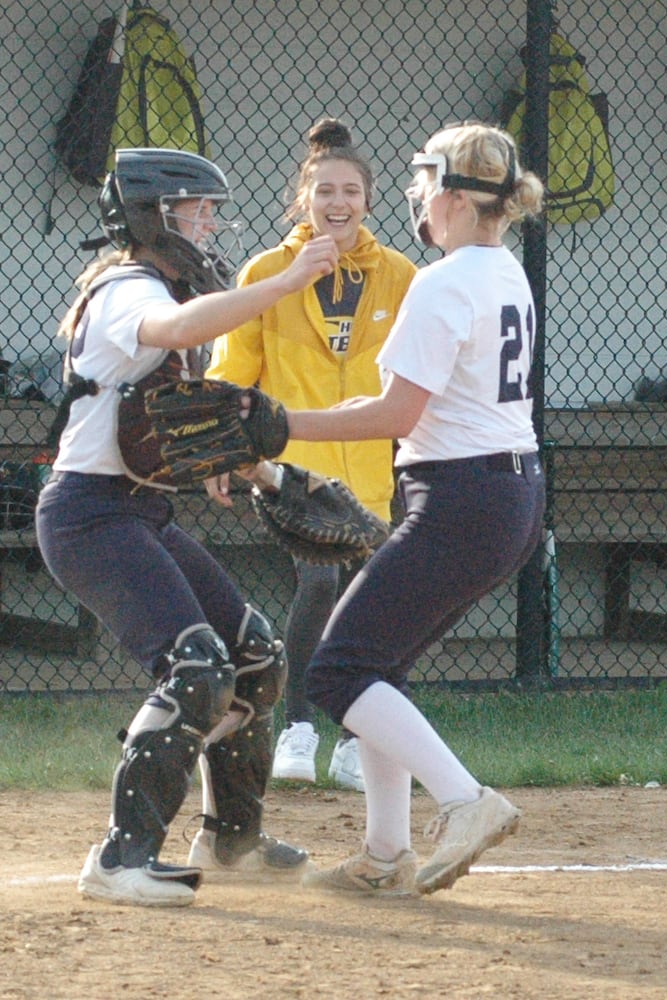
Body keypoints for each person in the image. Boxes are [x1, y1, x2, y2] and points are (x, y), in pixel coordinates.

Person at [226, 122, 544, 896]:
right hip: (507, 493)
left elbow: (395, 412)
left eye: (429, 187)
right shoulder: (503, 269)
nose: (419, 203)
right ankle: (382, 854)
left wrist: (283, 426)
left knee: (338, 672)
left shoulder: (441, 281)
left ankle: (466, 801)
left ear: (461, 198)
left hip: (463, 496)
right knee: (378, 670)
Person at [42, 148, 338, 907]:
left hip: (138, 510)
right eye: (194, 209)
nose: (209, 223)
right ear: (151, 215)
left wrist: (262, 474)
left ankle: (230, 836)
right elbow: (171, 330)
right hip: (87, 514)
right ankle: (120, 858)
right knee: (198, 666)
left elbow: (172, 416)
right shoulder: (125, 289)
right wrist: (281, 283)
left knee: (256, 657)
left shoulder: (165, 283)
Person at [209, 118, 417, 792]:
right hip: (293, 469)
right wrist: (219, 449)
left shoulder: (399, 277)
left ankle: (359, 740)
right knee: (319, 581)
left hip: (373, 471)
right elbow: (233, 368)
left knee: (379, 601)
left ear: (367, 201)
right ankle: (299, 725)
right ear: (302, 199)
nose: (337, 202)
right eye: (324, 189)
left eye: (350, 191)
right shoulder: (267, 273)